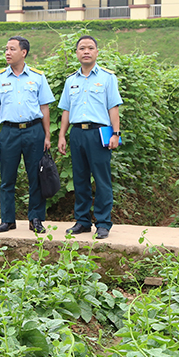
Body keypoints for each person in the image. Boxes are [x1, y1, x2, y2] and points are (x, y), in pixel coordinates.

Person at [0, 36, 54, 233]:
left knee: (36, 177)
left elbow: (44, 108)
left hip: (34, 131)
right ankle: (8, 219)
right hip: (9, 132)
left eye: (12, 49)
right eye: (6, 49)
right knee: (7, 178)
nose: (7, 52)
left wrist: (47, 135)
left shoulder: (38, 77)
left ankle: (36, 219)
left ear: (24, 53)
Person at [57, 35, 122, 240]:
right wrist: (62, 136)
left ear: (97, 52)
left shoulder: (107, 77)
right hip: (77, 133)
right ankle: (82, 221)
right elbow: (66, 110)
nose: (86, 51)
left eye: (90, 48)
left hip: (99, 133)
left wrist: (116, 133)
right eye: (82, 48)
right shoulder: (71, 81)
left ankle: (103, 223)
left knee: (102, 180)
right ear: (76, 53)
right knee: (80, 179)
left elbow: (113, 107)